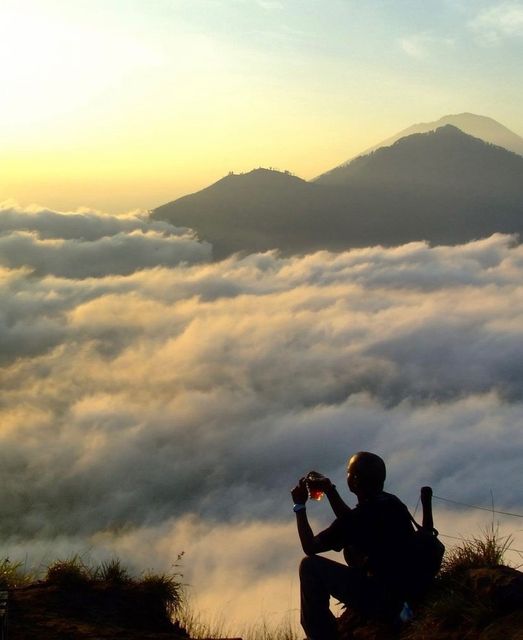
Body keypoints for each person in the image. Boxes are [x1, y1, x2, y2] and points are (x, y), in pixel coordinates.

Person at [291, 451, 416, 640]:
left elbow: (310, 546)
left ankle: (321, 635)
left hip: (383, 599)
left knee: (309, 566)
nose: (347, 476)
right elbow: (354, 523)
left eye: (349, 473)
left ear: (355, 480)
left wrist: (299, 507)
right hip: (407, 587)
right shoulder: (392, 503)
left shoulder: (358, 519)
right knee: (351, 547)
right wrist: (330, 490)